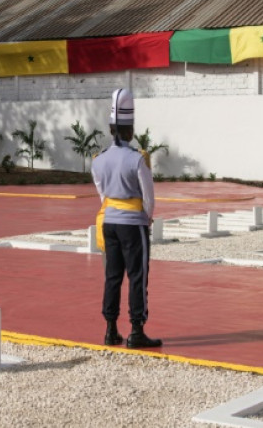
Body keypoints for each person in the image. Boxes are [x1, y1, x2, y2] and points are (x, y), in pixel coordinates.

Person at [91, 88, 162, 349]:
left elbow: (103, 194)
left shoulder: (98, 160)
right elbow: (149, 197)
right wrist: (147, 218)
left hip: (109, 223)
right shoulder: (137, 159)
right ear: (130, 130)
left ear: (111, 129)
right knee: (137, 276)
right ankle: (136, 330)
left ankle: (110, 329)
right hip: (133, 224)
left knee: (112, 276)